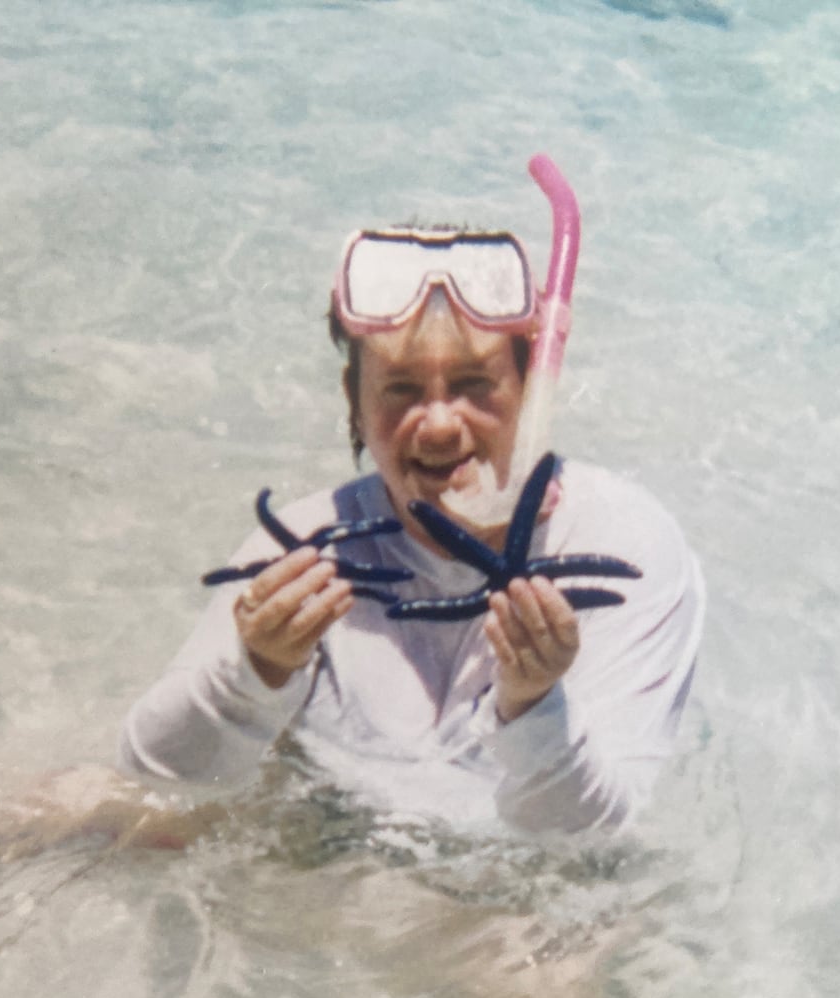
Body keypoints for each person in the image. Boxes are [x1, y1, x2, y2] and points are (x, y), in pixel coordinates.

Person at [118, 157, 706, 837]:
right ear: (354, 404)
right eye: (399, 389)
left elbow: (589, 842)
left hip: (501, 896)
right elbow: (150, 780)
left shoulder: (624, 548)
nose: (439, 423)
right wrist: (258, 670)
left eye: (474, 383)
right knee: (63, 812)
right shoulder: (311, 548)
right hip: (324, 841)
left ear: (533, 387)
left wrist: (533, 703)